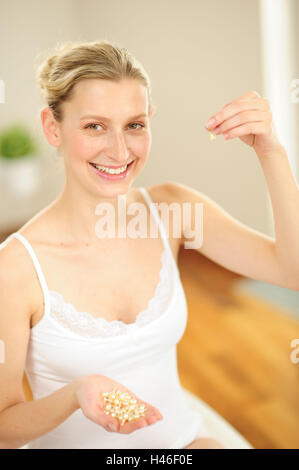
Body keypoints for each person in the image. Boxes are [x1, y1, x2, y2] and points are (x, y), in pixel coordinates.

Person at [0, 40, 224, 449]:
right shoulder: (14, 269)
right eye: (94, 126)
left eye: (134, 125)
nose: (120, 151)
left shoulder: (170, 210)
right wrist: (75, 394)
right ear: (53, 128)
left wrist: (272, 151)